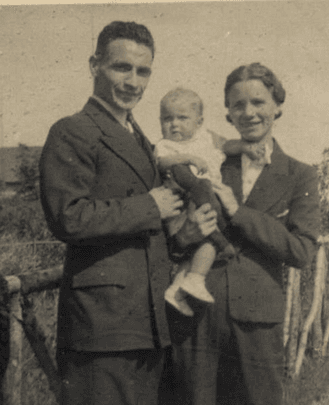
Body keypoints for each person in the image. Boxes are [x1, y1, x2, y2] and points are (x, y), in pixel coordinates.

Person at [39, 21, 216, 405]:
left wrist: (184, 235)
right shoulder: (72, 131)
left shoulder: (143, 141)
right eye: (122, 68)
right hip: (100, 328)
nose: (133, 82)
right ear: (94, 66)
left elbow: (151, 235)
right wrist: (148, 206)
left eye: (143, 71)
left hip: (150, 324)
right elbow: (67, 217)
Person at [169, 63, 320, 405]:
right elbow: (169, 239)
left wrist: (239, 214)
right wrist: (183, 238)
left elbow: (302, 252)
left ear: (277, 106)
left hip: (257, 325)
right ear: (227, 114)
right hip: (196, 319)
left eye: (258, 102)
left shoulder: (300, 175)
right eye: (238, 105)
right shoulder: (207, 165)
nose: (248, 113)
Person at [155, 87, 258, 316]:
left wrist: (244, 146)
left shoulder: (208, 139)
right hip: (185, 203)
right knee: (213, 235)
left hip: (204, 201)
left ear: (199, 121)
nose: (174, 125)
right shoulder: (166, 145)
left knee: (200, 246)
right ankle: (197, 275)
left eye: (182, 118)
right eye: (167, 119)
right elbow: (162, 163)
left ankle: (180, 286)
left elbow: (226, 145)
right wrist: (187, 157)